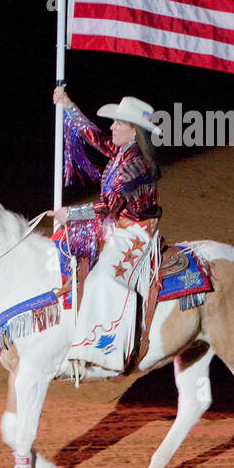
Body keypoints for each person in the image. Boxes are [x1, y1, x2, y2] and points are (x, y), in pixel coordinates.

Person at [50, 86, 163, 372]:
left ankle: (107, 351)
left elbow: (110, 206)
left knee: (101, 279)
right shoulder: (124, 150)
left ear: (134, 130)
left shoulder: (135, 164)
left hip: (134, 233)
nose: (111, 127)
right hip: (115, 227)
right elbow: (94, 137)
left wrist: (71, 214)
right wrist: (68, 106)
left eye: (118, 122)